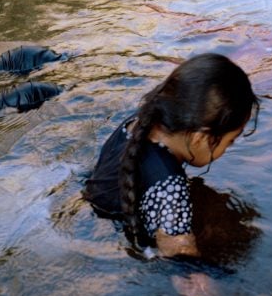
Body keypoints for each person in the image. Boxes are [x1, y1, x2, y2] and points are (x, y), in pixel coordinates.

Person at [83, 53, 261, 258]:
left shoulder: (139, 122)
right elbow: (177, 254)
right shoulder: (171, 188)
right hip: (110, 239)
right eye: (230, 141)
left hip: (94, 210)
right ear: (199, 139)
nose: (229, 148)